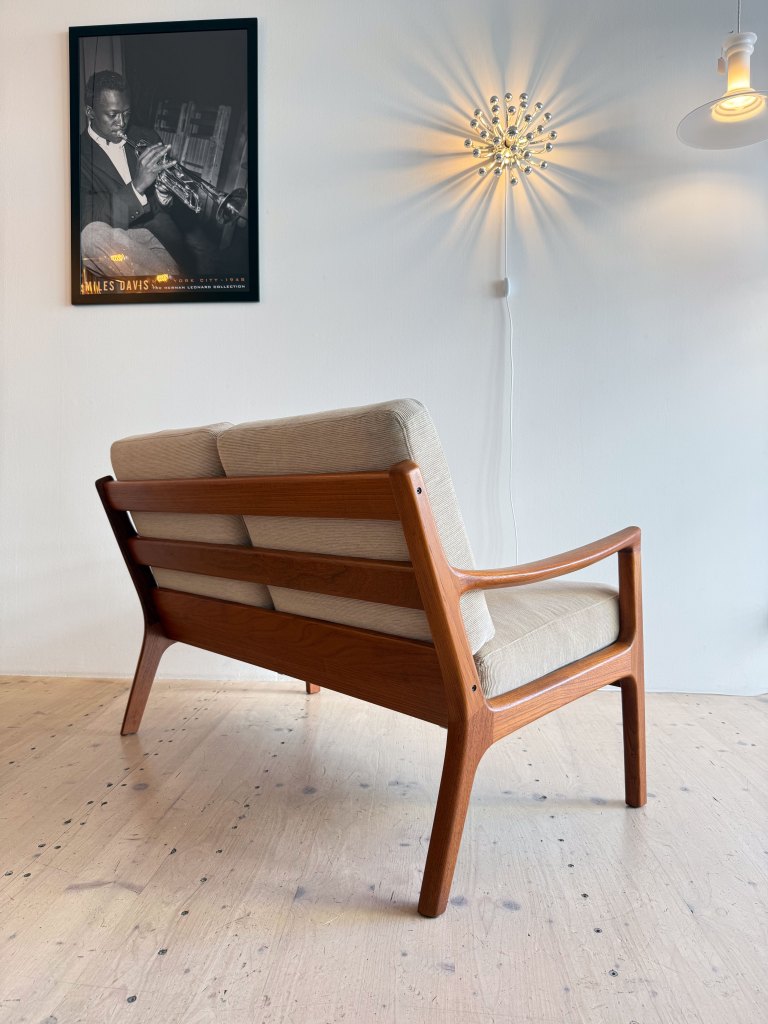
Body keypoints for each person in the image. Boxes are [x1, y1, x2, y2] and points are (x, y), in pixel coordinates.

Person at [79, 70, 188, 277]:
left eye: (127, 113)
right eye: (112, 115)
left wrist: (164, 194)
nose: (122, 123)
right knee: (90, 237)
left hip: (158, 237)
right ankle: (173, 282)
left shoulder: (146, 136)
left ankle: (170, 280)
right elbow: (87, 216)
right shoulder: (75, 154)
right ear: (90, 112)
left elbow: (165, 210)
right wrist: (137, 187)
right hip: (113, 240)